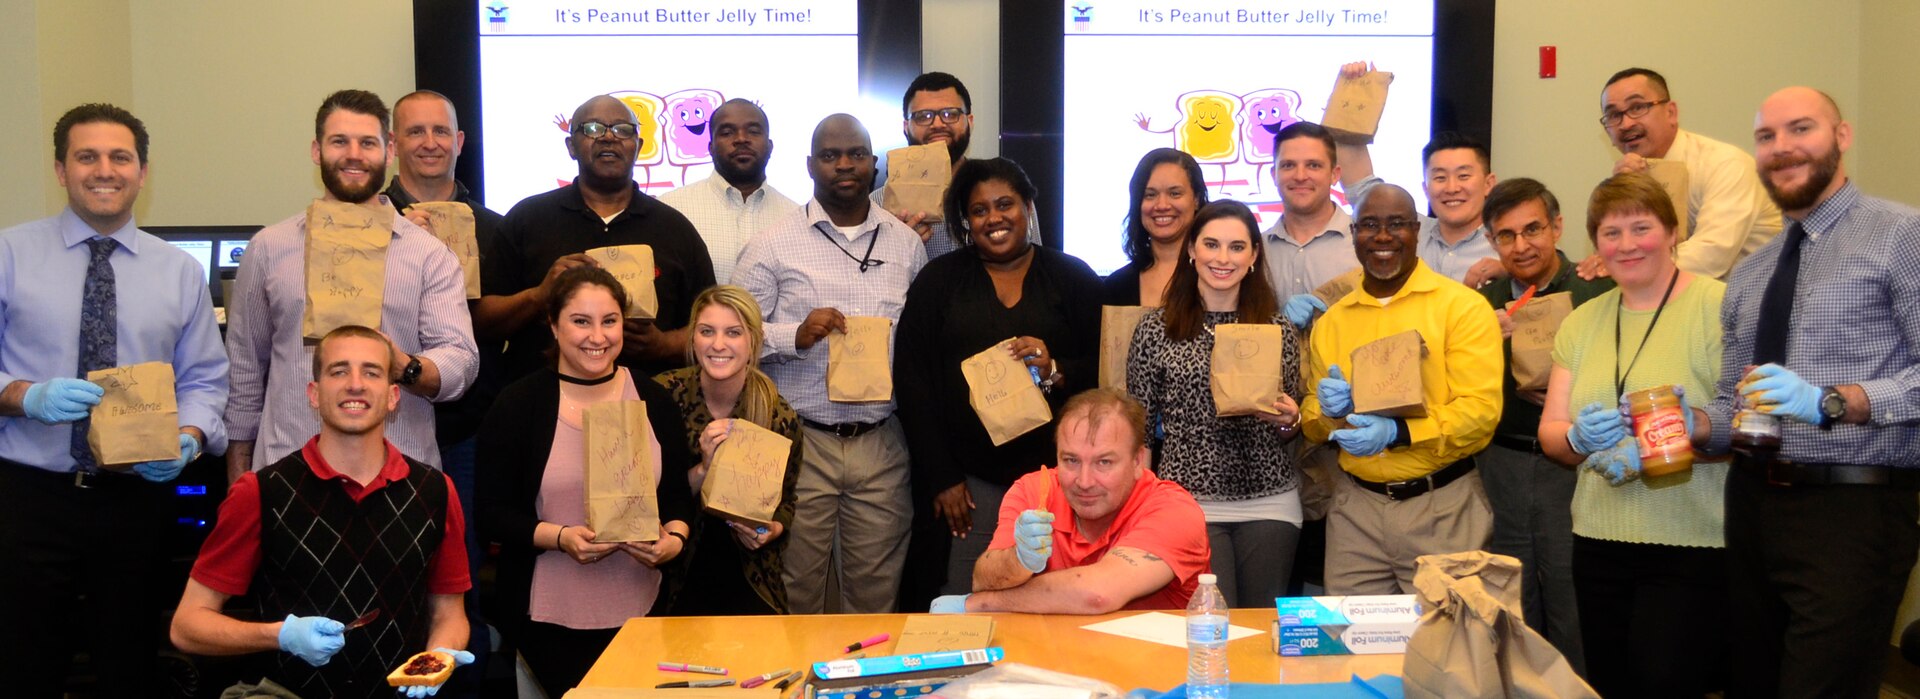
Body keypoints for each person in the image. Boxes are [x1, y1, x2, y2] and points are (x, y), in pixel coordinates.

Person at [0, 103, 229, 697]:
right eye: (87, 156)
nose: (105, 170)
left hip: (136, 502)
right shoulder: (9, 255)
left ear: (142, 171)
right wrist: (25, 396)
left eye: (120, 157)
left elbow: (206, 379)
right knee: (25, 666)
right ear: (60, 169)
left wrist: (192, 438)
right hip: (28, 498)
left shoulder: (179, 273)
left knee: (129, 666)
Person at [1709, 87, 1920, 698]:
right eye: (1766, 137)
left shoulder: (1901, 236)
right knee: (1753, 683)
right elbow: (1734, 404)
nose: (1782, 149)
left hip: (1851, 511)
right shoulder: (1750, 272)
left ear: (1842, 136)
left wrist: (1833, 401)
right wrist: (1681, 422)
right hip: (1751, 503)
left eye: (1800, 129)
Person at [172, 326, 471, 698]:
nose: (355, 384)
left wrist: (438, 657)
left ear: (394, 396)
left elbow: (449, 614)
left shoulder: (436, 491)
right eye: (339, 371)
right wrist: (279, 635)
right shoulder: (259, 492)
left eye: (372, 372)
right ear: (314, 394)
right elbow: (187, 626)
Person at [1536, 173, 1727, 697]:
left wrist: (1665, 449)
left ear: (1672, 232)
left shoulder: (1718, 308)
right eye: (1610, 233)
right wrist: (1577, 438)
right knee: (1610, 683)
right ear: (1595, 243)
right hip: (1597, 538)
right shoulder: (1582, 322)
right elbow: (1551, 431)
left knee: (1664, 684)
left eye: (1641, 228)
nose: (1626, 245)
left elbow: (1749, 423)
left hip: (1693, 541)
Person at [225, 89, 478, 480]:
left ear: (389, 150)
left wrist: (406, 367)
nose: (354, 155)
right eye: (339, 141)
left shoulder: (428, 254)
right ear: (316, 150)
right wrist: (238, 483)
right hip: (288, 474)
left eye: (368, 143)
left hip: (400, 477)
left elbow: (461, 360)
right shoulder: (269, 248)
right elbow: (244, 370)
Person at [735, 113, 927, 614]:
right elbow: (733, 337)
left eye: (856, 154)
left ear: (874, 164)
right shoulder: (772, 245)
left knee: (875, 596)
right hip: (802, 441)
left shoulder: (907, 247)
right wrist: (793, 335)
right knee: (796, 592)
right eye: (830, 155)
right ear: (809, 165)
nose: (845, 165)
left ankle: (864, 692)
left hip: (882, 441)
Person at [894, 157, 1104, 605]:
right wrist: (942, 476)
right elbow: (914, 383)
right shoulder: (938, 281)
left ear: (1028, 206)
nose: (994, 218)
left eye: (1005, 204)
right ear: (965, 222)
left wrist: (1056, 369)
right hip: (969, 485)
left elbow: (1105, 371)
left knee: (1056, 598)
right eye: (979, 210)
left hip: (1059, 482)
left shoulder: (1074, 278)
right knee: (968, 596)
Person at [475, 267, 693, 697]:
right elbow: (490, 514)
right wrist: (560, 538)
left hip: (642, 613)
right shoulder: (518, 404)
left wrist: (676, 540)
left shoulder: (654, 398)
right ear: (553, 325)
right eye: (581, 321)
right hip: (548, 618)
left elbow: (677, 499)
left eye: (609, 321)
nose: (598, 336)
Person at [1300, 182, 1502, 595]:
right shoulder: (1333, 322)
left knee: (1452, 648)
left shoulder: (1461, 308)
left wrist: (1402, 433)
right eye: (1369, 224)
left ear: (1417, 231)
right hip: (1355, 511)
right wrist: (1327, 414)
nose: (1383, 236)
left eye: (1397, 224)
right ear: (1354, 233)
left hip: (1441, 506)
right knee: (1348, 646)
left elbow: (1481, 412)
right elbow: (1311, 419)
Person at [382, 88, 504, 687]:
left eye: (441, 132)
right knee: (381, 580)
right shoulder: (356, 228)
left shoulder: (497, 230)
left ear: (459, 143)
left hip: (465, 437)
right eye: (414, 131)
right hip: (383, 433)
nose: (429, 143)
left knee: (463, 583)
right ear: (392, 145)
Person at [1126, 199, 1304, 606]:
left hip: (1270, 503)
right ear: (1191, 250)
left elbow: (1287, 426)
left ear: (1254, 256)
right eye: (1211, 244)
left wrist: (1290, 420)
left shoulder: (1277, 329)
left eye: (1237, 247)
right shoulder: (1155, 329)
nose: (1223, 258)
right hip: (1187, 504)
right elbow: (1139, 430)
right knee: (1210, 628)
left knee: (1262, 628)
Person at [1472, 177, 1611, 673]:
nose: (1521, 245)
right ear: (1491, 240)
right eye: (1505, 235)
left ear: (1557, 226)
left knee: (1571, 597)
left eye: (1533, 229)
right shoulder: (1481, 300)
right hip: (1501, 463)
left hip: (1573, 466)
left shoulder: (1597, 288)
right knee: (1511, 600)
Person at [483, 94, 716, 382]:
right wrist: (538, 296)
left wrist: (662, 345)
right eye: (592, 128)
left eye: (622, 129)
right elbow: (480, 320)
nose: (608, 138)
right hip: (542, 403)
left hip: (647, 402)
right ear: (571, 146)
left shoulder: (675, 229)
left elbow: (713, 327)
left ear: (638, 146)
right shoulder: (526, 218)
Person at [929, 388, 1209, 614]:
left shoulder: (1173, 509)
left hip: (1155, 672)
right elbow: (983, 578)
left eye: (1104, 462)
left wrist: (980, 605)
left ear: (1137, 461)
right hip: (1061, 664)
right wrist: (1018, 560)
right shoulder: (1034, 489)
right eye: (1071, 460)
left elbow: (1098, 594)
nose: (1084, 481)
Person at [651, 285, 803, 616]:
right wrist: (704, 470)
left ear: (753, 341)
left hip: (750, 576)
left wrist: (768, 531)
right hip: (672, 577)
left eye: (733, 333)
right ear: (693, 338)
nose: (718, 344)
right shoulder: (664, 396)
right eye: (707, 331)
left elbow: (786, 503)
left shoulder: (777, 414)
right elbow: (646, 494)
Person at [1576, 68, 1781, 280]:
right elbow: (1608, 253)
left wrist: (1624, 265)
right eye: (1613, 115)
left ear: (1671, 113)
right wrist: (1620, 191)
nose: (1626, 124)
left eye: (1637, 107)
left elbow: (1712, 255)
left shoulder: (1725, 164)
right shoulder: (1629, 175)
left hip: (1755, 301)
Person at [1334, 63, 1502, 288]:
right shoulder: (1406, 234)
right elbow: (1360, 186)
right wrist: (1353, 92)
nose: (1452, 188)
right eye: (1440, 177)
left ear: (1488, 183)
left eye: (1463, 176)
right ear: (1425, 188)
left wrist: (1509, 270)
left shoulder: (1507, 245)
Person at [659, 98, 800, 284]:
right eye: (727, 132)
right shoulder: (670, 210)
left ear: (770, 146)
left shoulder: (795, 217)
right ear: (711, 148)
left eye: (753, 131)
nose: (741, 139)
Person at [1265, 121, 1359, 324]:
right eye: (1288, 165)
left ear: (1335, 175)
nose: (1300, 176)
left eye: (1313, 165)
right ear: (1274, 174)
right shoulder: (1255, 250)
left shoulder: (1364, 244)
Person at [877, 71, 975, 261]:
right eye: (923, 116)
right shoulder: (878, 205)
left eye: (950, 114)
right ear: (906, 127)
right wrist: (894, 250)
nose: (937, 124)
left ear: (969, 122)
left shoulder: (1001, 194)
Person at [1103, 148, 1210, 307]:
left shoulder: (1221, 274)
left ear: (1196, 199)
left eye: (1174, 194)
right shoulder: (1116, 286)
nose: (1162, 206)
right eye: (1150, 195)